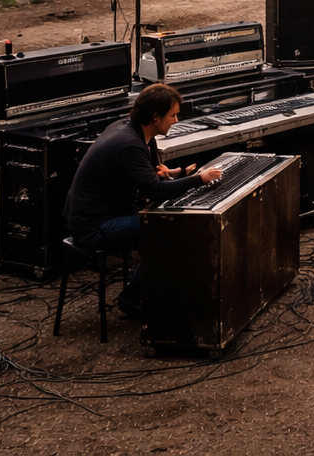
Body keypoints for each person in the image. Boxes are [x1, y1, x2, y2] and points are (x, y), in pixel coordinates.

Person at [63, 83, 223, 318]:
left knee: (166, 224)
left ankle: (159, 291)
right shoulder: (128, 143)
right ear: (155, 117)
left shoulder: (135, 131)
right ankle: (133, 298)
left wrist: (178, 173)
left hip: (110, 211)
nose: (176, 120)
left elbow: (151, 175)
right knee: (165, 230)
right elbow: (155, 190)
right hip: (92, 227)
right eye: (173, 115)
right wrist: (200, 179)